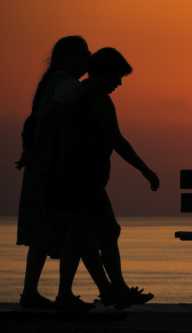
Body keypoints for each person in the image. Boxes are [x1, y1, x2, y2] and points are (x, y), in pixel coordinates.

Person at [69, 47, 159, 306]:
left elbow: (116, 140)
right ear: (103, 73)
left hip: (88, 180)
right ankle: (114, 288)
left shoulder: (92, 98)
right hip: (83, 181)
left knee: (89, 237)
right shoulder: (91, 99)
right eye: (116, 77)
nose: (119, 83)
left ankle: (112, 288)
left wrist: (144, 170)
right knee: (103, 233)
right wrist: (144, 170)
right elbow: (117, 141)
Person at [16, 35, 101, 310]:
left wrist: (29, 151)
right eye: (84, 54)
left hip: (43, 166)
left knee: (43, 234)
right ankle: (63, 293)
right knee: (69, 231)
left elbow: (33, 122)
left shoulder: (50, 84)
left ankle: (31, 291)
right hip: (57, 168)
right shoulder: (69, 86)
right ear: (69, 58)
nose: (88, 59)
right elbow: (49, 118)